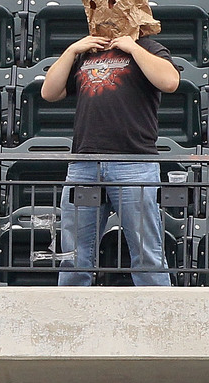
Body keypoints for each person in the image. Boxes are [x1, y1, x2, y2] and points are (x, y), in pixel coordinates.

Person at [40, 32, 179, 287]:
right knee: (74, 255)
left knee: (146, 250)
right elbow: (49, 92)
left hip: (134, 163)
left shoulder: (148, 47)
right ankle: (69, 316)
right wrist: (72, 50)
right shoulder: (87, 52)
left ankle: (158, 316)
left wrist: (133, 48)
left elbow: (170, 81)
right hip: (84, 162)